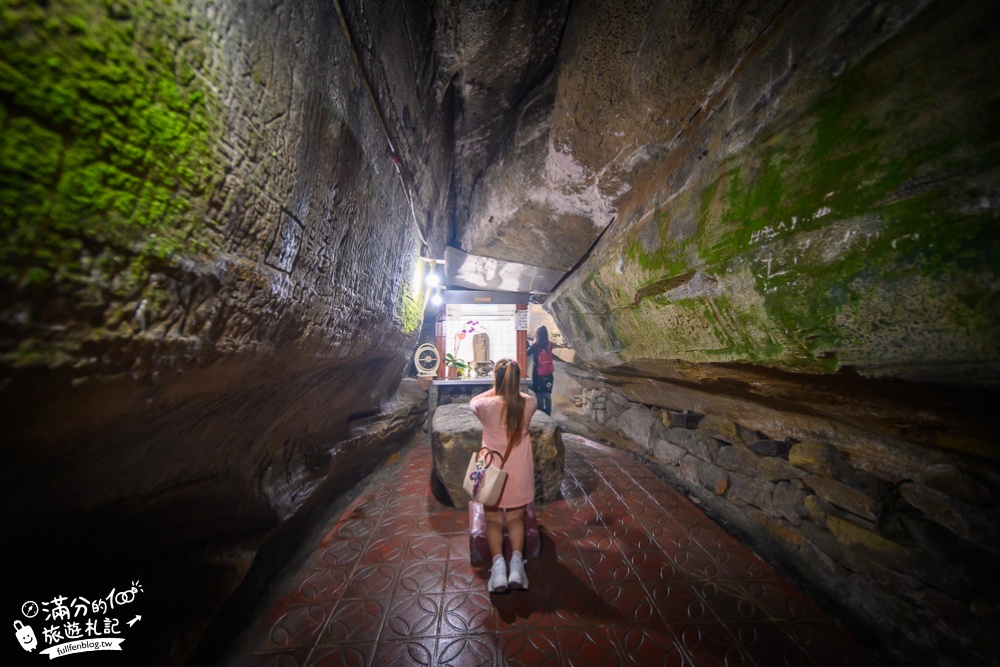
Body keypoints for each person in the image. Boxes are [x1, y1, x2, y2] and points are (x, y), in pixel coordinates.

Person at [469, 359, 537, 593]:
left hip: (492, 470)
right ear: (518, 380)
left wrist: (497, 388)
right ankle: (517, 567)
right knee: (517, 518)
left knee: (494, 520)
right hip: (519, 470)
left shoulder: (485, 405)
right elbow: (516, 397)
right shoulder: (529, 403)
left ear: (496, 379)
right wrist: (510, 388)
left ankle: (498, 569)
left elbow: (473, 402)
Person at [526, 325, 554, 416]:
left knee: (539, 394)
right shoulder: (549, 345)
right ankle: (549, 413)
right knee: (547, 394)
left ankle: (542, 414)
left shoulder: (535, 346)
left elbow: (526, 353)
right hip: (549, 375)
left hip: (538, 374)